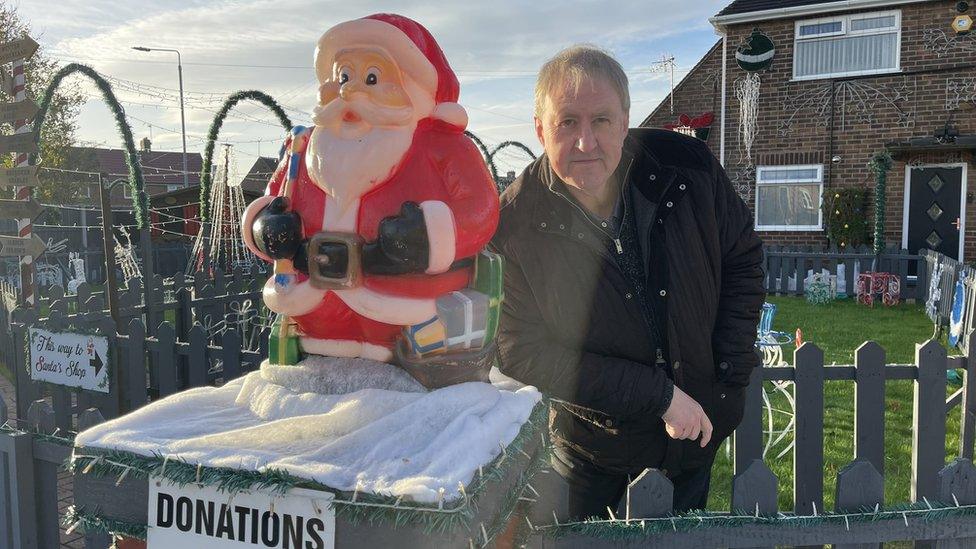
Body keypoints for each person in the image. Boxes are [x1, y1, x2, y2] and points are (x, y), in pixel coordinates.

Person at [491, 45, 765, 519]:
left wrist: (726, 381)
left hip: (696, 435)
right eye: (566, 123)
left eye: (601, 120)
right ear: (539, 129)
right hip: (591, 449)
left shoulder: (688, 168)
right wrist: (658, 397)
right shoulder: (513, 223)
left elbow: (742, 259)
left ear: (624, 120)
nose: (585, 143)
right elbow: (518, 348)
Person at [241, 13, 498, 363]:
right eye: (343, 75)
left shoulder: (444, 147)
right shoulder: (306, 145)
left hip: (402, 309)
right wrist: (266, 228)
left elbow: (480, 210)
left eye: (372, 77)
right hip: (313, 313)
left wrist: (427, 235)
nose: (349, 90)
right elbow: (275, 197)